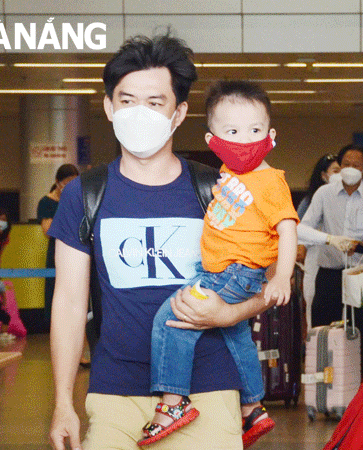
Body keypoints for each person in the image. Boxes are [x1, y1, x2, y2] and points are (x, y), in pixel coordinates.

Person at [48, 34, 276, 450]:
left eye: (155, 103)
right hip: (114, 390)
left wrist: (230, 313)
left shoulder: (218, 189)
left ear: (178, 113)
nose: (139, 113)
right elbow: (68, 302)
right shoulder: (85, 194)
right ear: (108, 107)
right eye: (127, 100)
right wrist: (63, 401)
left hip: (207, 390)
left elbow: (273, 281)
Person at [143, 80, 298, 447]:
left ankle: (173, 403)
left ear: (270, 134)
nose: (244, 140)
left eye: (255, 130)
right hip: (223, 269)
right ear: (213, 138)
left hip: (234, 272)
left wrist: (283, 278)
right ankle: (252, 407)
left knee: (172, 319)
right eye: (232, 131)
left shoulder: (271, 181)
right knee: (236, 334)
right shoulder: (230, 176)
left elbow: (289, 230)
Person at [297, 144, 363, 377]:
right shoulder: (324, 193)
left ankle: (355, 387)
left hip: (358, 277)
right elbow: (302, 229)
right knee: (323, 332)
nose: (350, 169)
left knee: (358, 335)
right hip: (328, 274)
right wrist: (330, 239)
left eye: (356, 165)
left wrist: (361, 244)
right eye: (346, 164)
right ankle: (324, 390)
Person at [295, 153, 340, 330]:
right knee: (315, 309)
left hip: (340, 263)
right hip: (315, 259)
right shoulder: (310, 200)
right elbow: (299, 231)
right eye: (335, 170)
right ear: (323, 175)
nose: (340, 175)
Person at [37, 164, 79, 326]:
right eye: (67, 183)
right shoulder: (47, 202)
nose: (70, 187)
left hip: (77, 249)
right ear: (58, 182)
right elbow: (48, 230)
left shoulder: (77, 199)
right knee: (56, 289)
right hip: (57, 250)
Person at [296, 153, 340, 219]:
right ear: (324, 175)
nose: (341, 175)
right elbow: (299, 225)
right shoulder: (309, 201)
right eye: (336, 171)